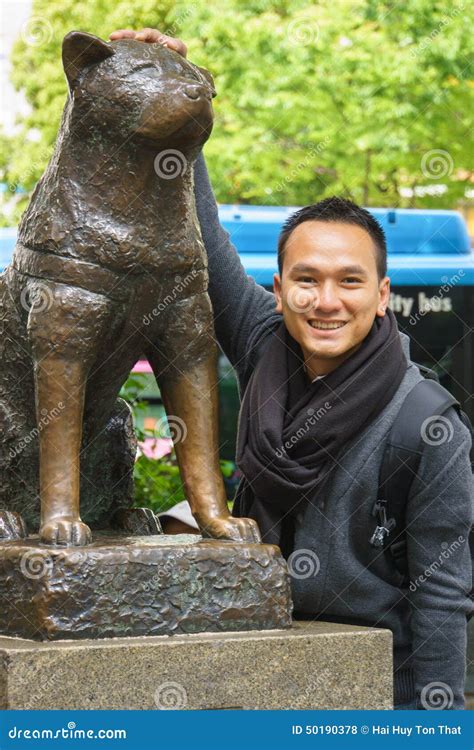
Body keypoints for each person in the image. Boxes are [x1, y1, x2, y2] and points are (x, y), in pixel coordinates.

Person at [110, 28, 473, 710]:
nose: (326, 301)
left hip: (369, 692)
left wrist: (433, 726)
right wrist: (176, 87)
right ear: (278, 289)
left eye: (349, 281)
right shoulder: (261, 342)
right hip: (252, 667)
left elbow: (444, 601)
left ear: (382, 295)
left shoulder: (429, 429)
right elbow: (207, 239)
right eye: (306, 280)